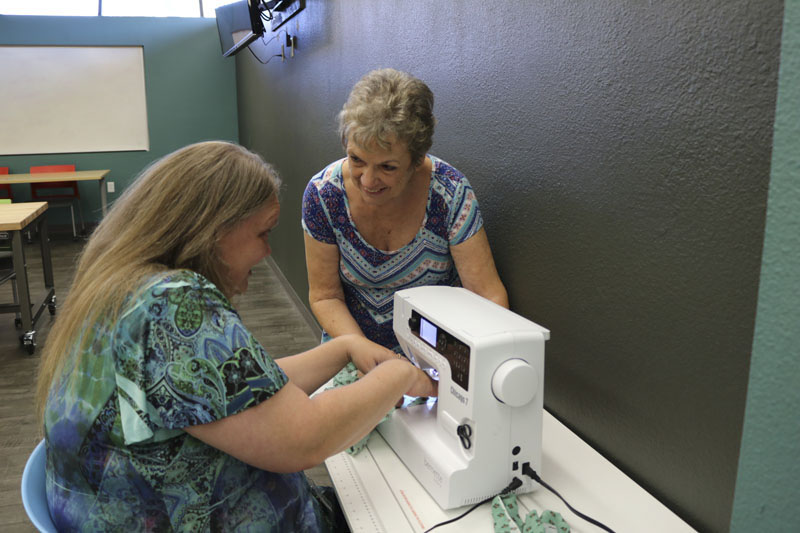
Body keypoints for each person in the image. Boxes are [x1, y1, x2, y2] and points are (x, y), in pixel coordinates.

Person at [35, 141, 436, 532]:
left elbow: (230, 391)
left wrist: (345, 349)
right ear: (213, 230)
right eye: (263, 233)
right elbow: (304, 440)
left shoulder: (122, 286)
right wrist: (398, 376)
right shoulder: (173, 306)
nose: (267, 253)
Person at [302, 68, 508, 352]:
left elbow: (486, 295)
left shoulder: (450, 193)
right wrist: (365, 353)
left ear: (416, 159)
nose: (368, 180)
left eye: (387, 166)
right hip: (352, 344)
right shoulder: (324, 195)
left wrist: (479, 363)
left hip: (436, 350)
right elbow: (325, 297)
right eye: (356, 159)